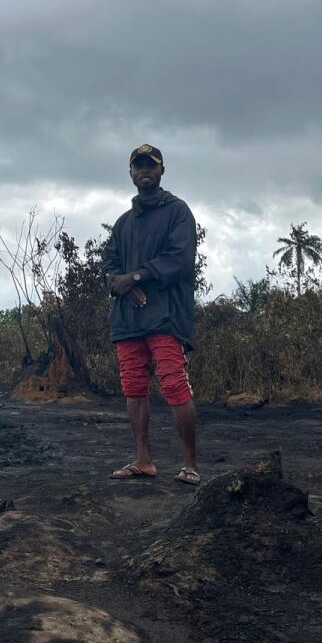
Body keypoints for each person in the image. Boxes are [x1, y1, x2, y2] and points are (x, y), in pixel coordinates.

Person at [103, 143, 200, 485]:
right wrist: (123, 285)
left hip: (165, 316)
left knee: (173, 382)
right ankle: (143, 461)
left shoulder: (178, 212)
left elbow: (179, 259)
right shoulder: (123, 223)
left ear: (161, 171)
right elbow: (110, 266)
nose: (144, 170)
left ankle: (189, 464)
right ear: (131, 174)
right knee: (133, 387)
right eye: (138, 166)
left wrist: (138, 276)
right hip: (127, 320)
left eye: (151, 165)